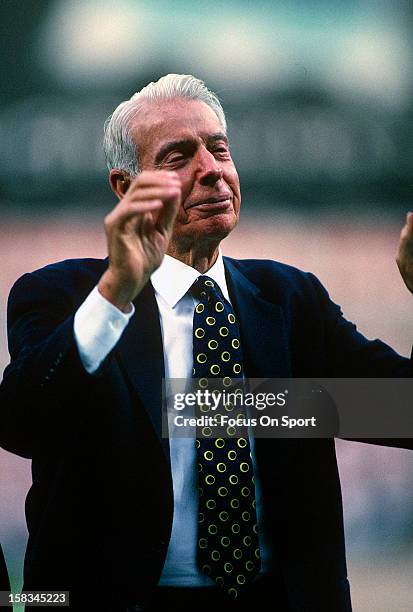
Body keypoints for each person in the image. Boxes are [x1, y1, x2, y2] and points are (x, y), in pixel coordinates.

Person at [0, 74, 412, 612]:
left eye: (219, 149)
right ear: (125, 188)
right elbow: (23, 423)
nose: (212, 170)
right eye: (177, 157)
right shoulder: (60, 295)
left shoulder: (289, 301)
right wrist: (117, 290)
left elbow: (400, 413)